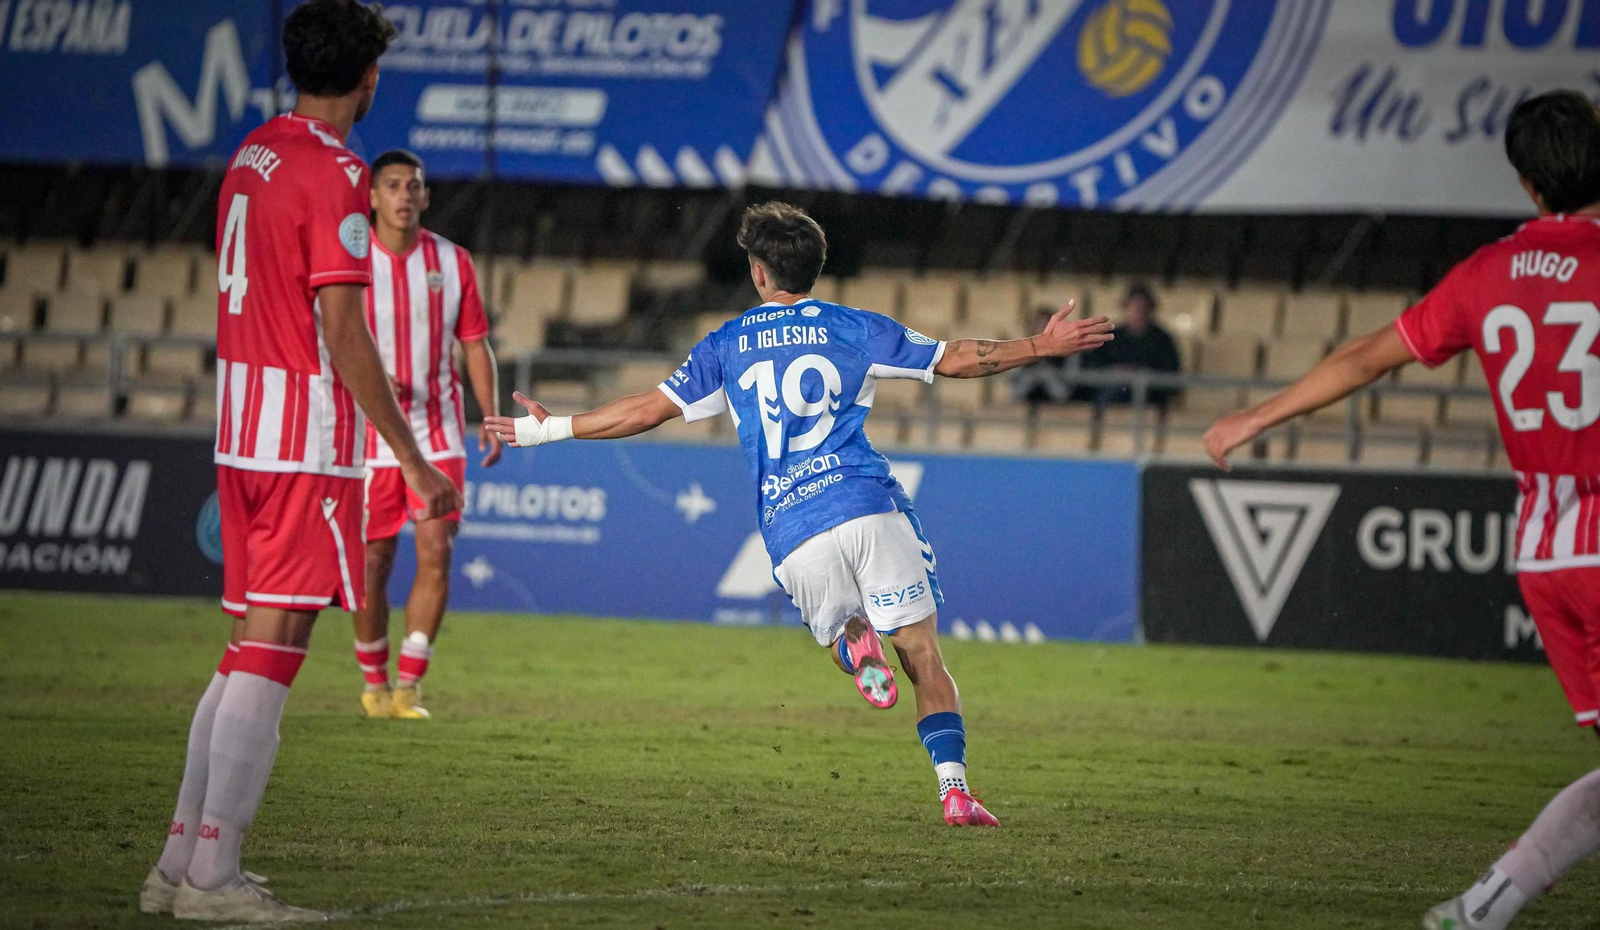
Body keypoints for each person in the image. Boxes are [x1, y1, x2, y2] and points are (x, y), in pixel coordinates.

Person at [485, 202, 1113, 827]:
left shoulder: (726, 345)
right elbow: (955, 357)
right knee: (922, 653)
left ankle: (850, 642)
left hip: (792, 526)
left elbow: (644, 410)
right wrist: (1042, 343)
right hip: (866, 503)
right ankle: (954, 792)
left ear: (759, 273)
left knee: (840, 629)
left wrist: (552, 429)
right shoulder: (853, 326)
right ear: (815, 269)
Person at [1200, 89, 1600, 929]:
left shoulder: (1488, 273)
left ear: (1527, 185)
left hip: (1548, 555)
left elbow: (1366, 358)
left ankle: (1484, 908)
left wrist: (1255, 416)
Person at [140, 2, 461, 922]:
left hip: (241, 429)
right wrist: (411, 457)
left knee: (244, 650)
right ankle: (214, 880)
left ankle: (177, 865)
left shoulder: (254, 152)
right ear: (368, 79)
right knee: (274, 652)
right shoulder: (337, 172)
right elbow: (342, 329)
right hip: (303, 442)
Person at [352, 149, 501, 721]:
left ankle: (409, 685)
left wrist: (487, 414)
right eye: (392, 185)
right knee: (374, 562)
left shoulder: (450, 260)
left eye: (413, 186)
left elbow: (473, 341)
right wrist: (364, 376)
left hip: (438, 432)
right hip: (367, 438)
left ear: (426, 197)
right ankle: (373, 683)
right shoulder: (351, 256)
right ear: (371, 196)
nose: (404, 195)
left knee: (436, 550)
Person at [1081, 282, 1181, 409]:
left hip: (1149, 395)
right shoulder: (1111, 336)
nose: (1138, 312)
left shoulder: (1163, 339)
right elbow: (1092, 365)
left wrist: (1140, 373)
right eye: (1134, 307)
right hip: (1112, 389)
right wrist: (1115, 371)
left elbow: (1170, 373)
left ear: (1150, 309)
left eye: (1143, 308)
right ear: (1125, 307)